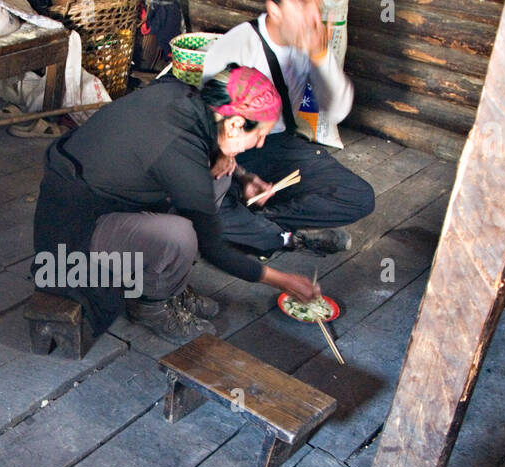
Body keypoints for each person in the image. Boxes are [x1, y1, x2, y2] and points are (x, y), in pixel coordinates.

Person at [31, 66, 323, 344]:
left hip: (114, 201)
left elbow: (198, 156)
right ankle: (150, 304)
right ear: (234, 125)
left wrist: (243, 175)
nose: (260, 144)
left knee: (220, 179)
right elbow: (213, 247)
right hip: (74, 231)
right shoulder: (178, 147)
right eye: (259, 135)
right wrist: (281, 280)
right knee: (181, 235)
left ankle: (170, 284)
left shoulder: (183, 96)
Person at [200, 0, 375, 257]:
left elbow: (337, 109)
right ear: (275, 10)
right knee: (207, 201)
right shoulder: (237, 45)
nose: (313, 15)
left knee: (359, 197)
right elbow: (208, 120)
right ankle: (265, 228)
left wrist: (321, 56)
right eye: (303, 5)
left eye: (317, 4)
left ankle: (262, 226)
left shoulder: (309, 43)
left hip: (281, 145)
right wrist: (237, 170)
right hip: (234, 148)